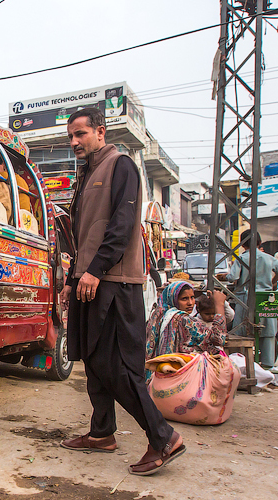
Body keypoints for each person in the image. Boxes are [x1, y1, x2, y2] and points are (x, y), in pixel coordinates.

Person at [59, 107, 185, 477]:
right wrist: (71, 279)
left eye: (80, 134)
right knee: (91, 357)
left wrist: (95, 271)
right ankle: (101, 433)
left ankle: (163, 437)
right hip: (87, 280)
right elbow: (82, 237)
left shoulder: (121, 165)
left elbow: (122, 224)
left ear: (100, 131)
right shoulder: (85, 174)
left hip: (114, 282)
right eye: (71, 136)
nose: (74, 142)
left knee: (118, 365)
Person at [227, 230, 278, 369]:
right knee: (268, 331)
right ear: (259, 243)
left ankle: (241, 365)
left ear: (243, 244)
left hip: (245, 299)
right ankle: (267, 365)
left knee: (240, 332)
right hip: (265, 299)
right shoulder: (268, 257)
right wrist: (273, 282)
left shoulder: (241, 258)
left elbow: (233, 277)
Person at [145, 281, 227, 369]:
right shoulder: (184, 319)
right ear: (173, 299)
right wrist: (219, 305)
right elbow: (218, 339)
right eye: (184, 299)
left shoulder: (158, 314)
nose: (190, 303)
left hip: (157, 371)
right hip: (183, 371)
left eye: (192, 297)